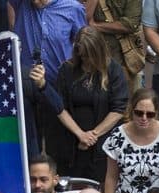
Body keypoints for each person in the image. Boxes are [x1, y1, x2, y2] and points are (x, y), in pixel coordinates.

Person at [45, 26, 128, 184]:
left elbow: (118, 109)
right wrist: (80, 135)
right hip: (71, 143)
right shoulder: (67, 70)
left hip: (102, 145)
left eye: (90, 56)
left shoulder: (113, 70)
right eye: (82, 56)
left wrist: (92, 135)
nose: (86, 60)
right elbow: (60, 108)